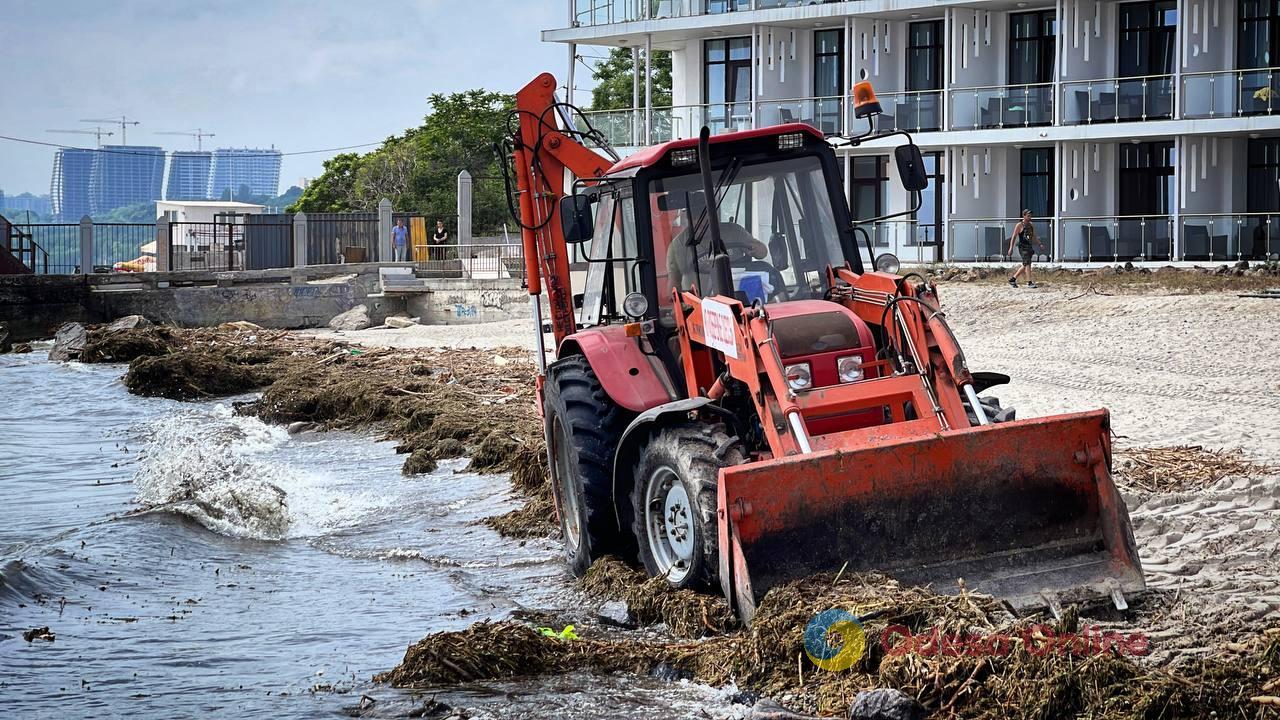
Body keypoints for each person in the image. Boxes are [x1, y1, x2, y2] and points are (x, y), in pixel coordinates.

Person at [1007, 210, 1047, 288]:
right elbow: (1014, 237)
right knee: (1027, 263)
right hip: (1022, 247)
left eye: (1030, 215)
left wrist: (1040, 244)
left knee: (1026, 264)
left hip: (1029, 246)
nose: (1030, 217)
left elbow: (1034, 236)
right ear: (1024, 216)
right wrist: (1010, 248)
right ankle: (1029, 282)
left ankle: (1013, 279)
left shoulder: (1031, 225)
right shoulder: (1019, 225)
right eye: (1028, 215)